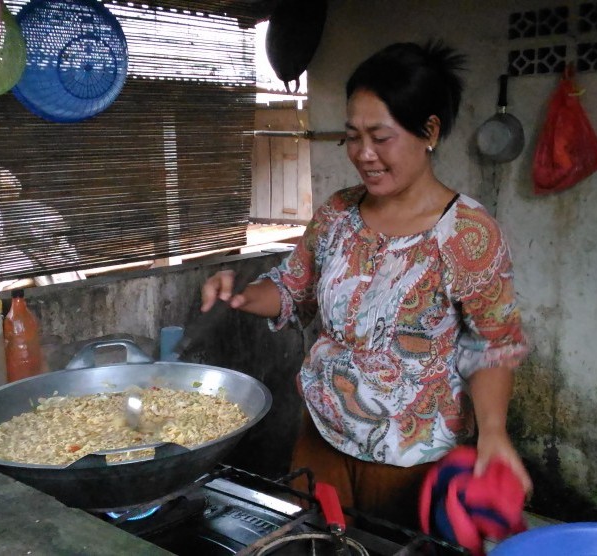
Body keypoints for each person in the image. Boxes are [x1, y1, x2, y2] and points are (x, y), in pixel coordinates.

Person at [201, 39, 531, 529]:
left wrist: (494, 433)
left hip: (410, 457)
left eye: (381, 136)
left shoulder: (467, 233)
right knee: (315, 541)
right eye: (353, 136)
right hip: (322, 438)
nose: (364, 154)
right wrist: (243, 295)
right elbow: (294, 289)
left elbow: (493, 344)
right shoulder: (338, 212)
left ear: (429, 131)